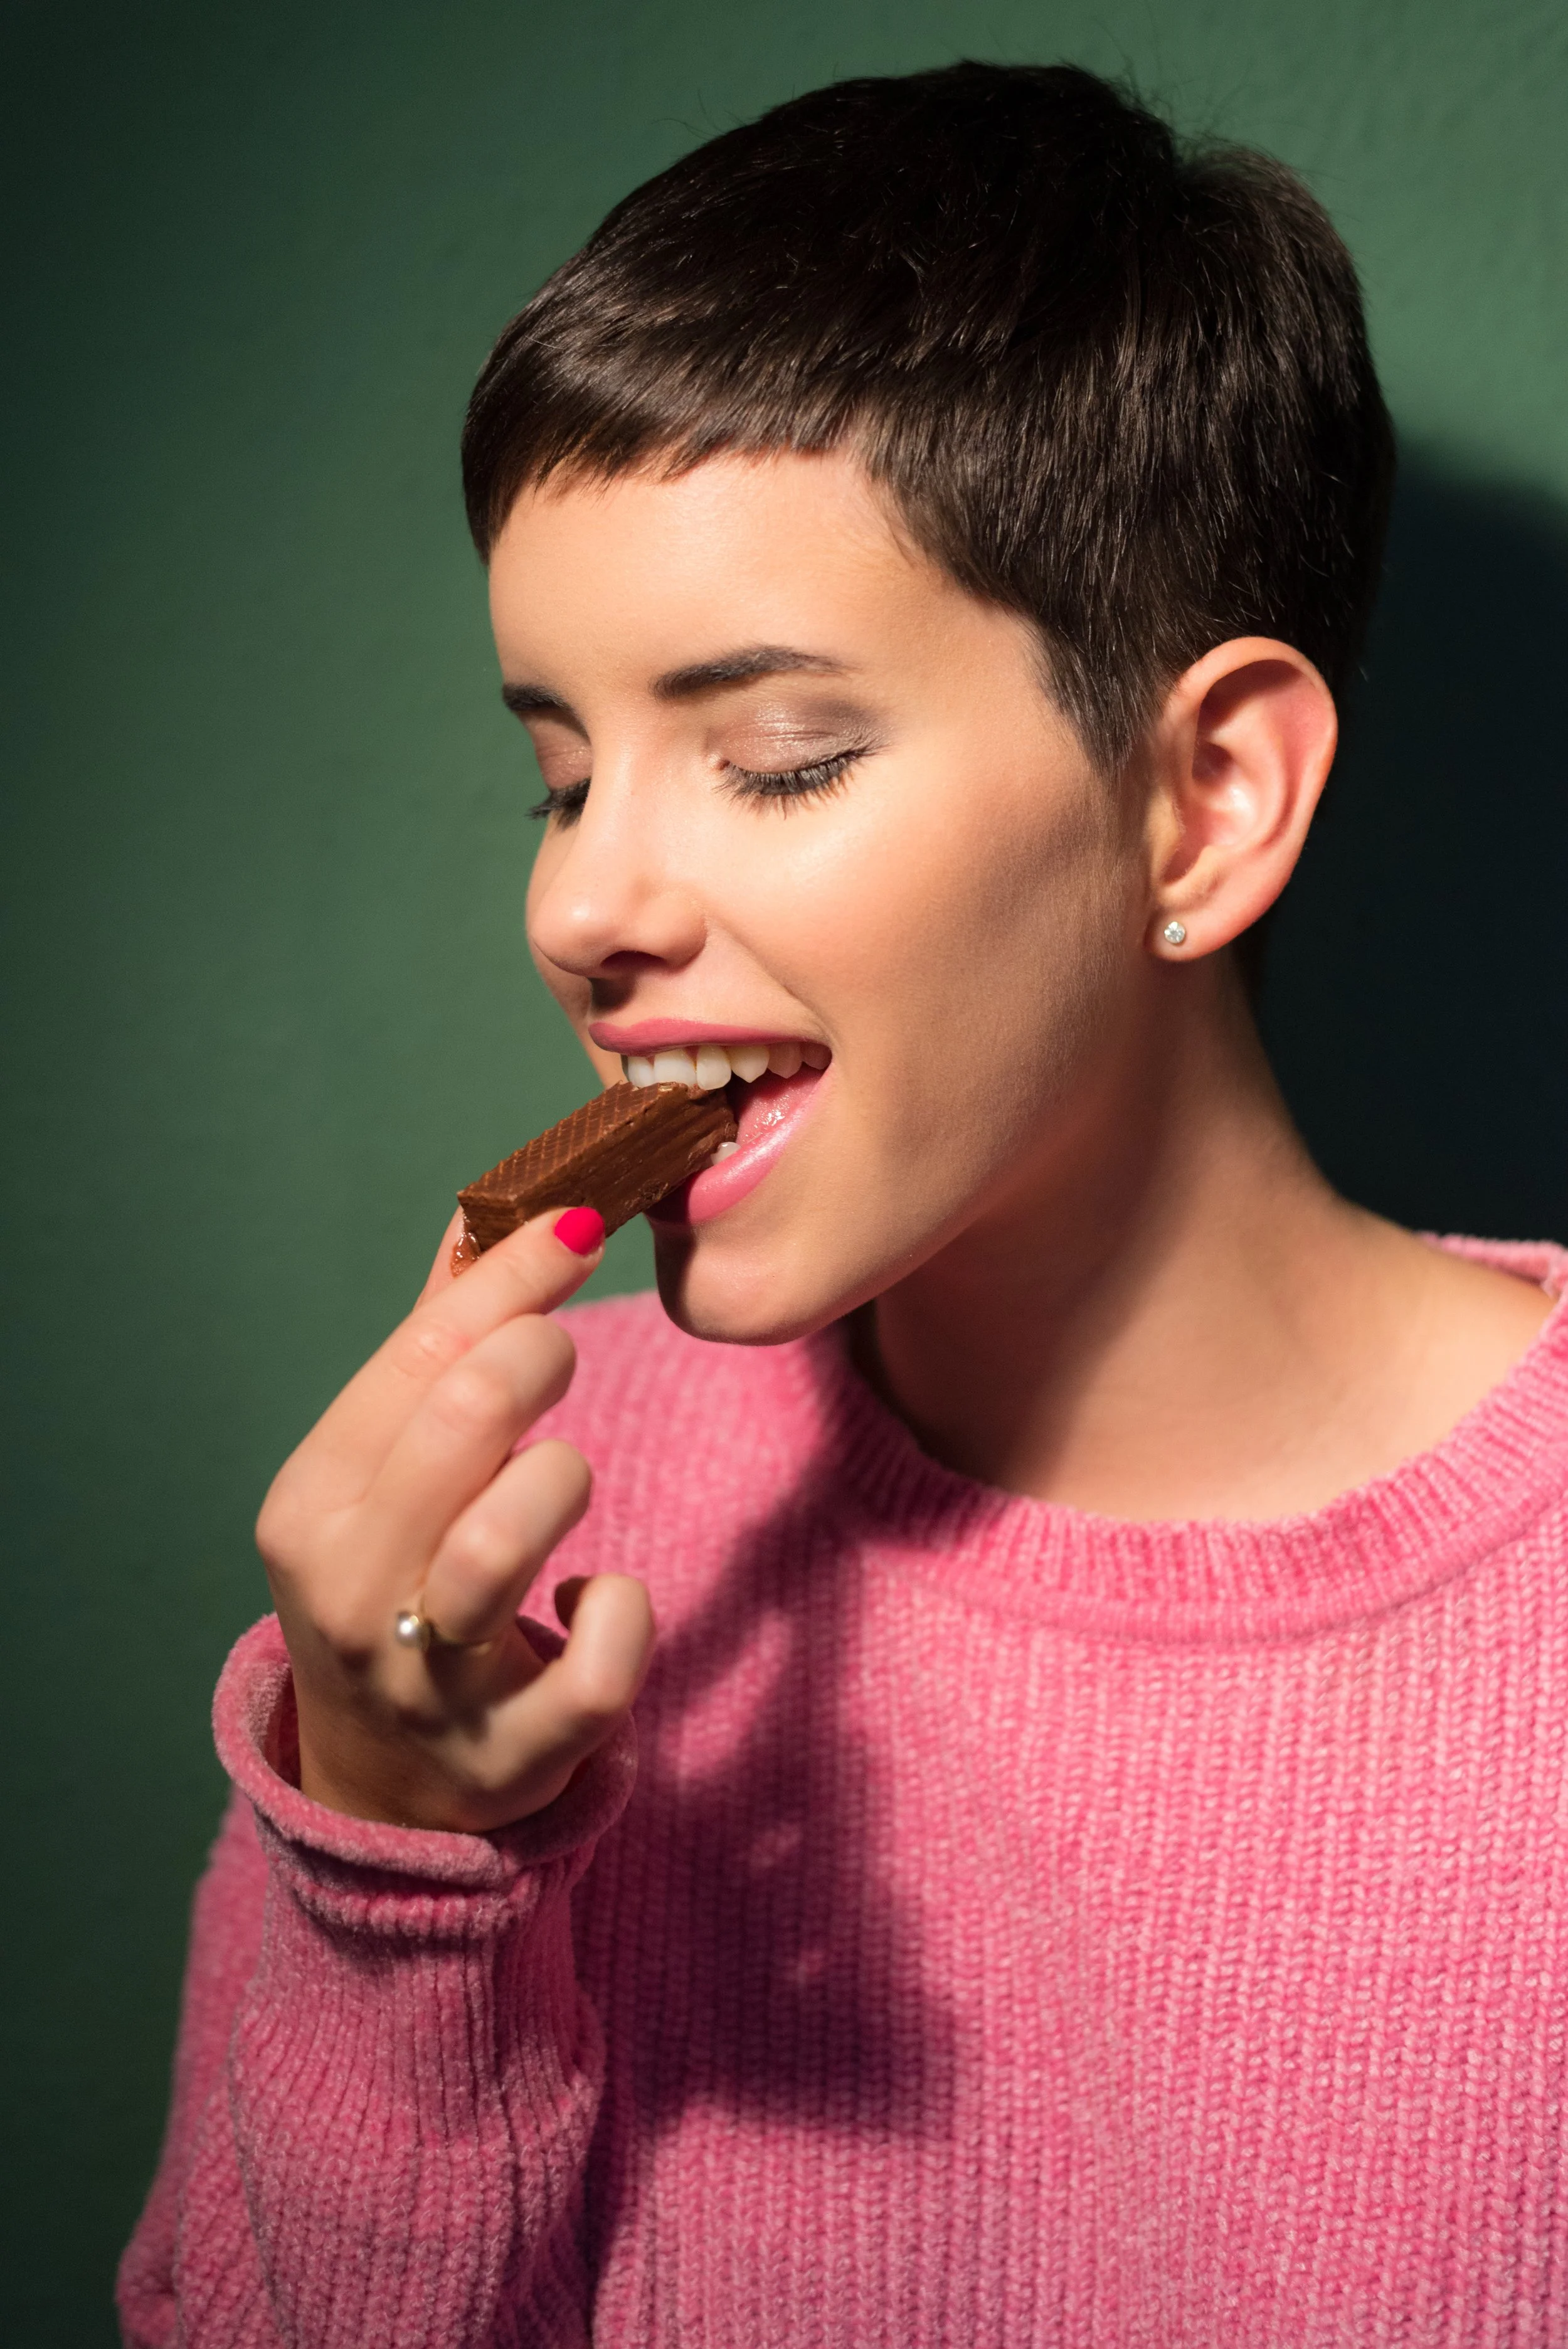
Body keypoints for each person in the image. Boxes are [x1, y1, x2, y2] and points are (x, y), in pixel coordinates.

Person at [119, 60, 1568, 2348]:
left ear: (1201, 804)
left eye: (774, 756)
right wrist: (399, 1862)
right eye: (556, 774)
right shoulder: (517, 1548)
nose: (583, 903)